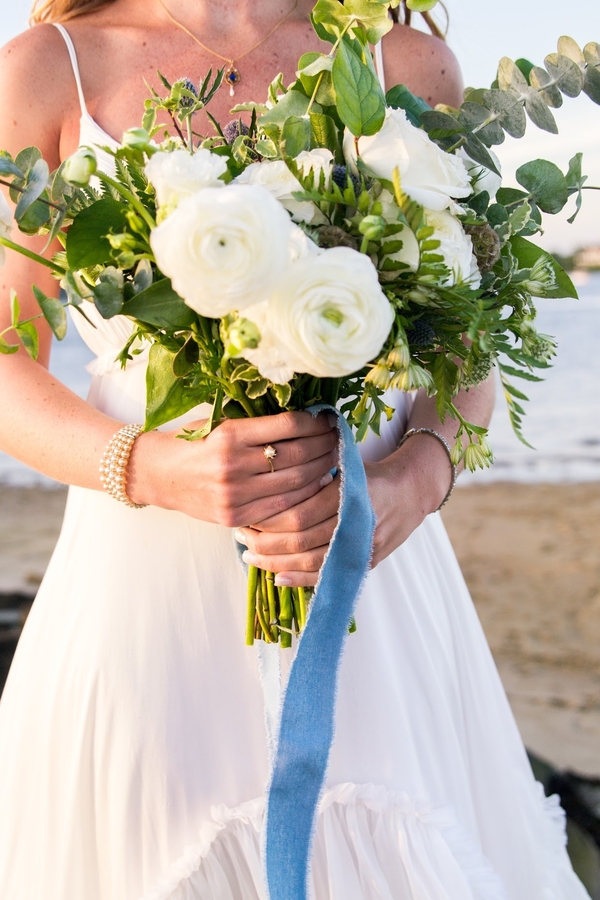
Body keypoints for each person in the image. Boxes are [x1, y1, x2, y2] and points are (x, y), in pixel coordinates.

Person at [0, 1, 589, 898]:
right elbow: (6, 363)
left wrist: (413, 481)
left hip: (370, 576)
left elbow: (469, 341)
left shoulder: (404, 63)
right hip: (147, 595)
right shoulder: (48, 70)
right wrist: (153, 468)